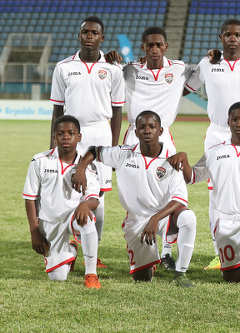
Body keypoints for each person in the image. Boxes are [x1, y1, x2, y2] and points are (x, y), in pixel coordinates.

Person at [71, 111, 196, 287]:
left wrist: (155, 219)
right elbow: (94, 151)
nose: (147, 130)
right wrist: (81, 169)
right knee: (143, 278)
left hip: (162, 217)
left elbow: (180, 200)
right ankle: (149, 261)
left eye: (152, 127)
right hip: (136, 220)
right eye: (142, 127)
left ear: (160, 131)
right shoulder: (124, 153)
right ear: (135, 132)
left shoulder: (171, 158)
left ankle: (181, 273)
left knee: (188, 218)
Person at [168, 102, 240, 288]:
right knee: (233, 278)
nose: (239, 123)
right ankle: (236, 262)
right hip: (226, 220)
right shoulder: (214, 152)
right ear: (228, 122)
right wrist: (184, 159)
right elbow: (193, 177)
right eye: (235, 119)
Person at [184, 19, 240, 270]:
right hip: (217, 135)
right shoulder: (207, 63)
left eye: (237, 34)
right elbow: (186, 87)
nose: (232, 38)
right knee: (215, 192)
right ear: (221, 37)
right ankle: (221, 250)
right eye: (228, 34)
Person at [49, 16, 125, 268]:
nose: (89, 36)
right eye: (85, 32)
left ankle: (93, 251)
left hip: (100, 134)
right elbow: (57, 111)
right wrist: (53, 146)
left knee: (98, 199)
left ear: (102, 37)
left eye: (94, 33)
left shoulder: (113, 70)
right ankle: (67, 248)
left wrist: (112, 150)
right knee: (67, 192)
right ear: (79, 35)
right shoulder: (63, 67)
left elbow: (116, 113)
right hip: (71, 134)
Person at [122, 26, 187, 270]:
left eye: (159, 45)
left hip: (164, 138)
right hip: (133, 137)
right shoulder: (130, 70)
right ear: (143, 47)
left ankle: (168, 252)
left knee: (169, 192)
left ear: (166, 46)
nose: (154, 49)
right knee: (137, 195)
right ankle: (143, 249)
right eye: (150, 45)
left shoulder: (179, 69)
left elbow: (206, 71)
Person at [23, 115, 101, 288]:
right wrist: (34, 231)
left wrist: (84, 204)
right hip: (49, 223)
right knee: (58, 277)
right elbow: (30, 198)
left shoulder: (87, 165)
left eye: (71, 133)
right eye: (61, 133)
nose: (66, 137)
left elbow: (94, 199)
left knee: (87, 217)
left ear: (79, 137)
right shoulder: (39, 161)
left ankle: (91, 274)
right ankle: (71, 249)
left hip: (74, 217)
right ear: (54, 137)